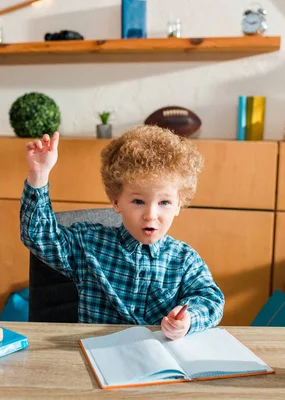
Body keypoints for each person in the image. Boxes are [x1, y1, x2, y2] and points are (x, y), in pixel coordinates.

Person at [20, 126, 225, 340]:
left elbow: (211, 299)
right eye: (138, 201)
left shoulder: (185, 259)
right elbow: (39, 236)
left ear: (178, 206)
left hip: (157, 364)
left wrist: (188, 320)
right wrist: (39, 175)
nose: (150, 215)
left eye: (164, 202)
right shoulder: (88, 244)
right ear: (117, 202)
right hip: (97, 360)